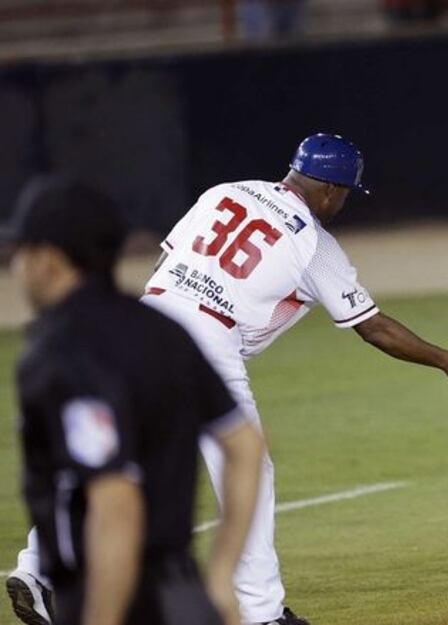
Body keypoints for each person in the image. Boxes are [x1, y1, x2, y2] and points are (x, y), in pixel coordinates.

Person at [106, 133, 448, 624]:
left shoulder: (224, 191)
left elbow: (166, 263)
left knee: (119, 455)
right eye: (347, 194)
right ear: (331, 191)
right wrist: (446, 359)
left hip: (147, 319)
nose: (344, 203)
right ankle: (262, 614)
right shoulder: (313, 242)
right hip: (206, 340)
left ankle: (39, 568)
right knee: (247, 471)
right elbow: (374, 327)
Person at [6, 177, 265, 625]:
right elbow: (245, 445)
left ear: (47, 258)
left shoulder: (58, 352)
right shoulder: (163, 331)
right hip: (185, 592)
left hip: (113, 597)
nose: (14, 267)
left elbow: (115, 499)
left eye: (19, 252)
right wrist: (221, 577)